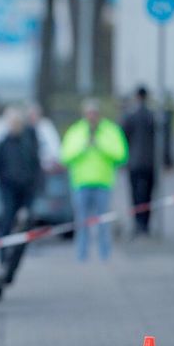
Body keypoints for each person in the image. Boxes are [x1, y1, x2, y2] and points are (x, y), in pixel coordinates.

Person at [60, 99, 128, 261]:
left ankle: (105, 254)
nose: (92, 116)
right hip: (81, 183)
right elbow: (65, 156)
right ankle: (82, 255)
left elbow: (121, 155)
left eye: (94, 113)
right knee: (82, 221)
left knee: (103, 221)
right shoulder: (76, 131)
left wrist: (100, 145)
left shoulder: (110, 131)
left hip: (103, 182)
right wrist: (84, 146)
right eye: (89, 113)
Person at [0, 107, 40, 283]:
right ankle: (3, 259)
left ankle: (13, 264)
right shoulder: (3, 144)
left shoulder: (29, 142)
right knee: (7, 222)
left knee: (25, 227)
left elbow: (35, 166)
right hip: (9, 190)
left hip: (26, 191)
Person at [121, 86, 171, 236]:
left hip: (134, 162)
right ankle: (145, 225)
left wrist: (123, 160)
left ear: (137, 97)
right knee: (149, 194)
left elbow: (123, 138)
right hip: (150, 163)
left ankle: (138, 223)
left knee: (136, 194)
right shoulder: (153, 116)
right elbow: (163, 140)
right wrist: (167, 161)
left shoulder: (130, 116)